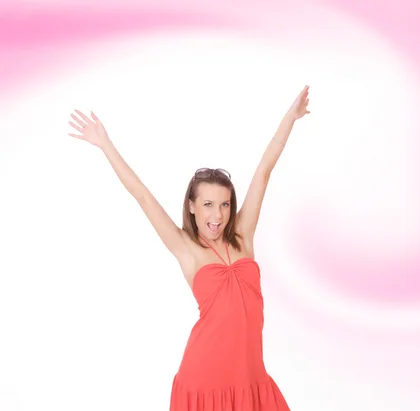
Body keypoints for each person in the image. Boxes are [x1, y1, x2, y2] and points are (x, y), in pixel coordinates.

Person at [67, 85, 311, 410]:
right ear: (192, 207)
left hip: (250, 377)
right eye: (208, 204)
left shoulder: (243, 235)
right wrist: (105, 144)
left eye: (224, 205)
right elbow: (142, 195)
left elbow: (264, 171)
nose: (217, 215)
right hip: (205, 378)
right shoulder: (186, 249)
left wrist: (290, 118)